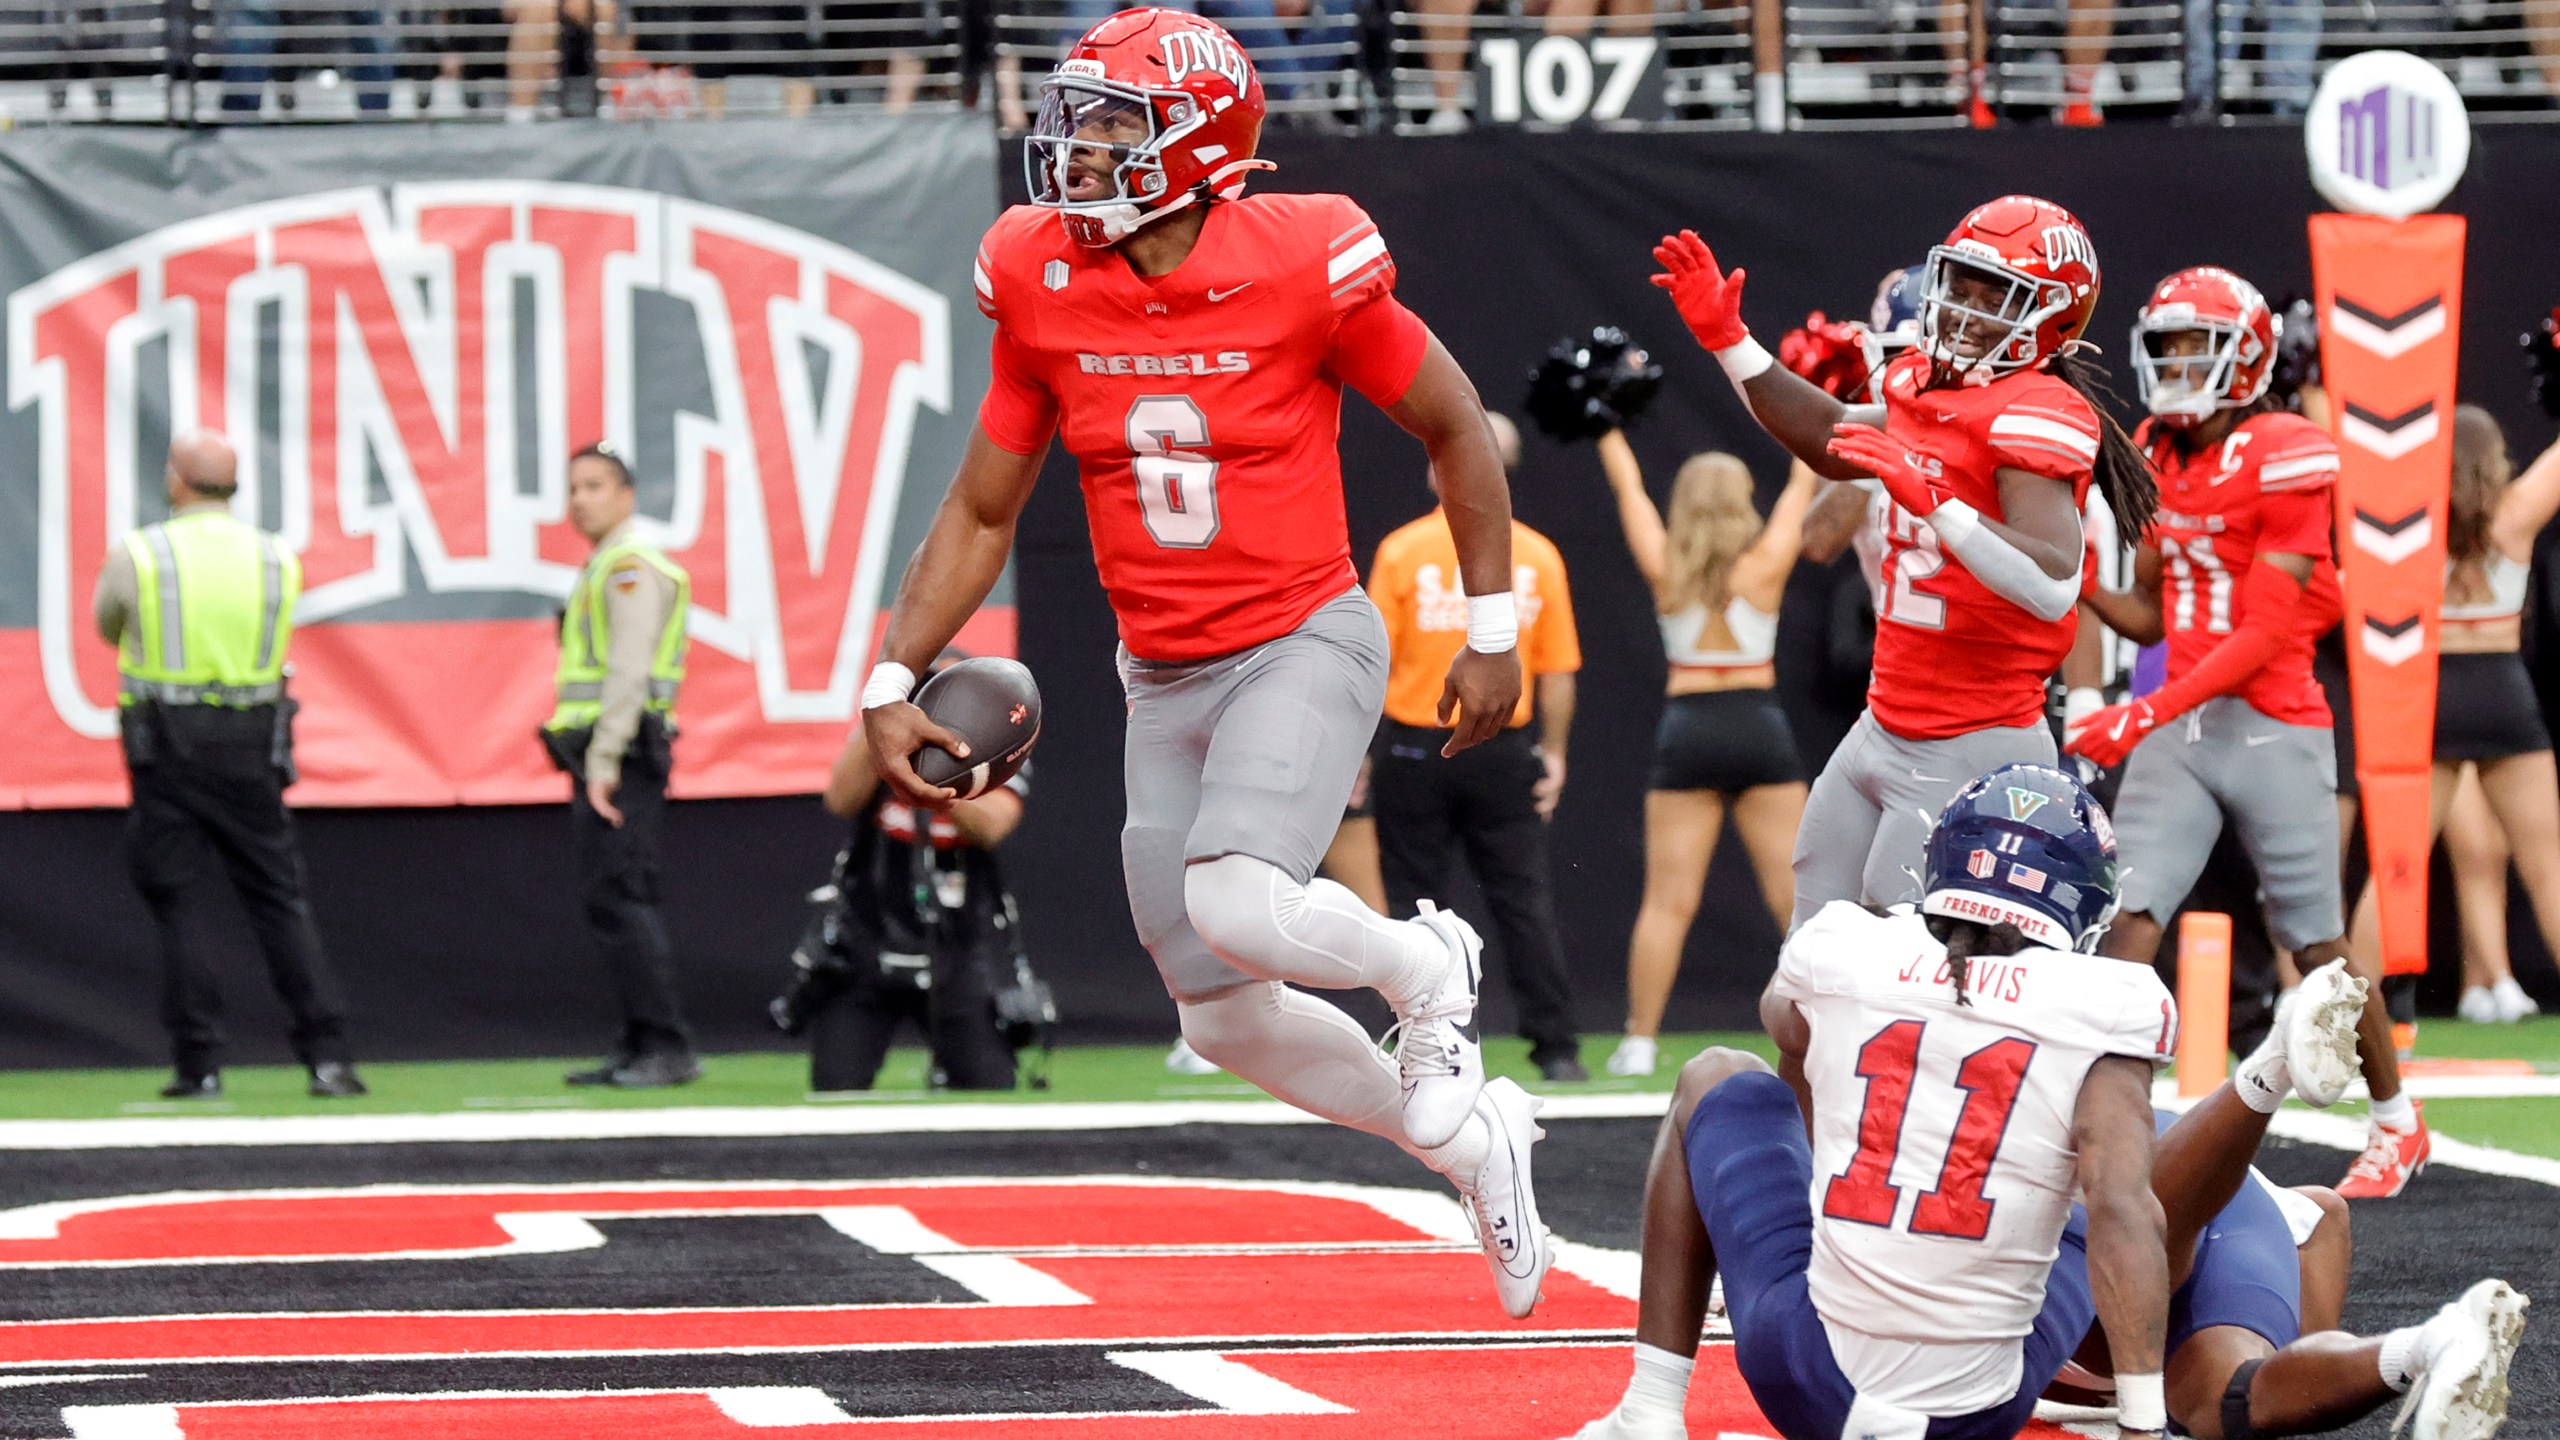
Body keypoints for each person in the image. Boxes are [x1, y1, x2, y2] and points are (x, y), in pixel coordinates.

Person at [859, 8, 1550, 1317]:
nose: (1073, 149)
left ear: (1197, 144)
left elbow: (1455, 425)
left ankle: (1427, 968)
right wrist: (891, 677)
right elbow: (983, 507)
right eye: (1074, 117)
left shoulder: (1298, 261)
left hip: (1303, 635)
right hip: (1162, 674)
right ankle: (1466, 1144)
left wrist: (1491, 628)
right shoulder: (1040, 276)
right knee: (1218, 1014)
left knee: (1239, 900)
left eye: (1111, 123)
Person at [1568, 764, 2176, 1440]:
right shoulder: (2109, 1001)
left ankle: (1649, 1411)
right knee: (2104, 1196)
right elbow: (2124, 1209)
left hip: (1804, 1377)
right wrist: (2143, 1430)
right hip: (1975, 1416)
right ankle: (2135, 1395)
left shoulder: (1846, 945)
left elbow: (1784, 1027)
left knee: (1717, 1075)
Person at [1650, 198, 2158, 934]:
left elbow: (2053, 586)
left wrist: (1939, 503)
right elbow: (1831, 436)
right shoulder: (1922, 383)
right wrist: (1730, 342)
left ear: (2052, 319)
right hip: (1885, 723)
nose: (1966, 311)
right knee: (1802, 976)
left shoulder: (2035, 412)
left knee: (1893, 974)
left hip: (1972, 738)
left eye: (1998, 297)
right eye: (1964, 285)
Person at [2063, 267, 2424, 1201]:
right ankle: (2093, 1123)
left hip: (2271, 723)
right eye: (2169, 346)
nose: (2178, 364)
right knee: (2129, 919)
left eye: (2197, 346)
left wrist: (2142, 710)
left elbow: (2267, 629)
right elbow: (2150, 617)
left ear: (2247, 358)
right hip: (2185, 727)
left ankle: (2397, 1122)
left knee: (2315, 947)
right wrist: (2061, 583)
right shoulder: (2154, 446)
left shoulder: (2289, 448)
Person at [2036, 960, 2531, 1440]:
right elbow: (2324, 1213)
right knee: (2228, 1404)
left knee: (2108, 1270)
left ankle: (2270, 1070)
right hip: (2242, 1211)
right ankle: (2431, 1344)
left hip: (2154, 1188)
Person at [92, 430, 364, 1100]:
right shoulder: (276, 558)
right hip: (252, 745)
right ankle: (328, 1058)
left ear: (178, 479)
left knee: (178, 903)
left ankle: (200, 1065)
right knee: (278, 898)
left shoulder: (143, 553)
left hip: (169, 746)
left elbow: (108, 624)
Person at [1369, 410, 1587, 1082]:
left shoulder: (1404, 551)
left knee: (1414, 908)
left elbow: (1370, 661)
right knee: (1521, 897)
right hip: (1497, 744)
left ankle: (1425, 1042)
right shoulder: (1537, 554)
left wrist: (1357, 752)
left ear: (1437, 471)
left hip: (1419, 746)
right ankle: (1557, 1050)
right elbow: (1558, 673)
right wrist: (1553, 751)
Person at [1593, 433, 1814, 1079]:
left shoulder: (1667, 564)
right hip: (1758, 725)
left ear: (1685, 505)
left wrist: (1608, 429)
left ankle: (1637, 1042)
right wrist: (1827, 401)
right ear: (1743, 500)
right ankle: (1827, 1024)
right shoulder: (1767, 560)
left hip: (1688, 727)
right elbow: (1804, 483)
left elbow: (1627, 491)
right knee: (1793, 899)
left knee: (1667, 901)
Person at [2350, 408, 2560, 1035]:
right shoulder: (2516, 512)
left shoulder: (2402, 525)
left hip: (2429, 696)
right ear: (2493, 459)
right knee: (2549, 867)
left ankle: (2338, 1021)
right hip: (2504, 692)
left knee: (2396, 865)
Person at [768, 682, 1026, 1092]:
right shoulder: (884, 735)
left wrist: (938, 778)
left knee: (988, 1088)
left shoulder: (996, 744)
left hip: (953, 949)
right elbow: (840, 799)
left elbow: (993, 824)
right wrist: (886, 736)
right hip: (867, 939)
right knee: (836, 1088)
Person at [542, 442, 699, 1089]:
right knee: (612, 898)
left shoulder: (629, 566)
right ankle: (639, 1043)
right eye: (573, 487)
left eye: (595, 486)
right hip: (615, 755)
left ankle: (666, 1046)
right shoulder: (607, 564)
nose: (580, 499)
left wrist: (603, 761)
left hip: (622, 757)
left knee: (623, 898)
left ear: (627, 494)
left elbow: (629, 673)